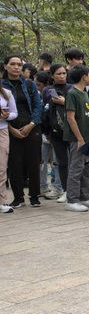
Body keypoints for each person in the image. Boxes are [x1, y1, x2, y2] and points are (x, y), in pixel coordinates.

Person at [2, 54, 43, 208]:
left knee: (33, 162)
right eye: (12, 64)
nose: (16, 67)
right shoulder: (2, 85)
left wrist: (31, 124)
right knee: (14, 164)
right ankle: (18, 197)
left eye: (19, 64)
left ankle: (34, 195)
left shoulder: (29, 84)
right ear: (6, 66)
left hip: (31, 126)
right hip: (9, 127)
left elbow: (37, 105)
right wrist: (11, 129)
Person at [64, 65, 89, 212]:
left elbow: (84, 114)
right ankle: (72, 200)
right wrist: (79, 138)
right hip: (77, 139)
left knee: (86, 168)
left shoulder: (84, 93)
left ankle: (85, 198)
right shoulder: (72, 94)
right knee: (76, 168)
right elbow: (70, 118)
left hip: (87, 137)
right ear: (84, 77)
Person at [41, 63, 71, 202]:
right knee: (62, 162)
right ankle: (64, 190)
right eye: (58, 74)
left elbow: (79, 109)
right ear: (52, 75)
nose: (62, 76)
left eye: (64, 73)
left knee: (76, 162)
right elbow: (46, 111)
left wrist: (65, 103)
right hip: (55, 131)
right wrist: (46, 131)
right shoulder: (47, 90)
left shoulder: (72, 88)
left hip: (72, 130)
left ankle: (80, 190)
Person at [0, 77, 18, 213]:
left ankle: (2, 201)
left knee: (1, 167)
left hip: (2, 131)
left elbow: (14, 113)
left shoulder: (6, 93)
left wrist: (7, 116)